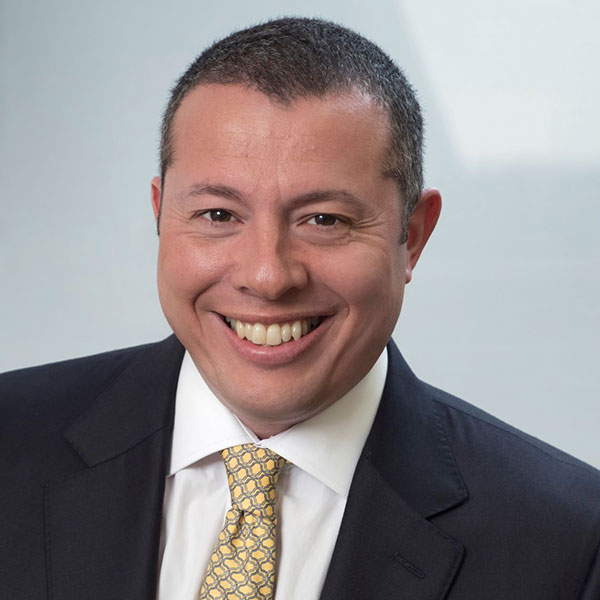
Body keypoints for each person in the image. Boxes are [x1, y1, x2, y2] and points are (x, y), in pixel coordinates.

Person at [1, 17, 599, 600]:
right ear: (160, 214)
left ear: (413, 235)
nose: (267, 276)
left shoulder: (571, 542)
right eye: (218, 215)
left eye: (325, 220)